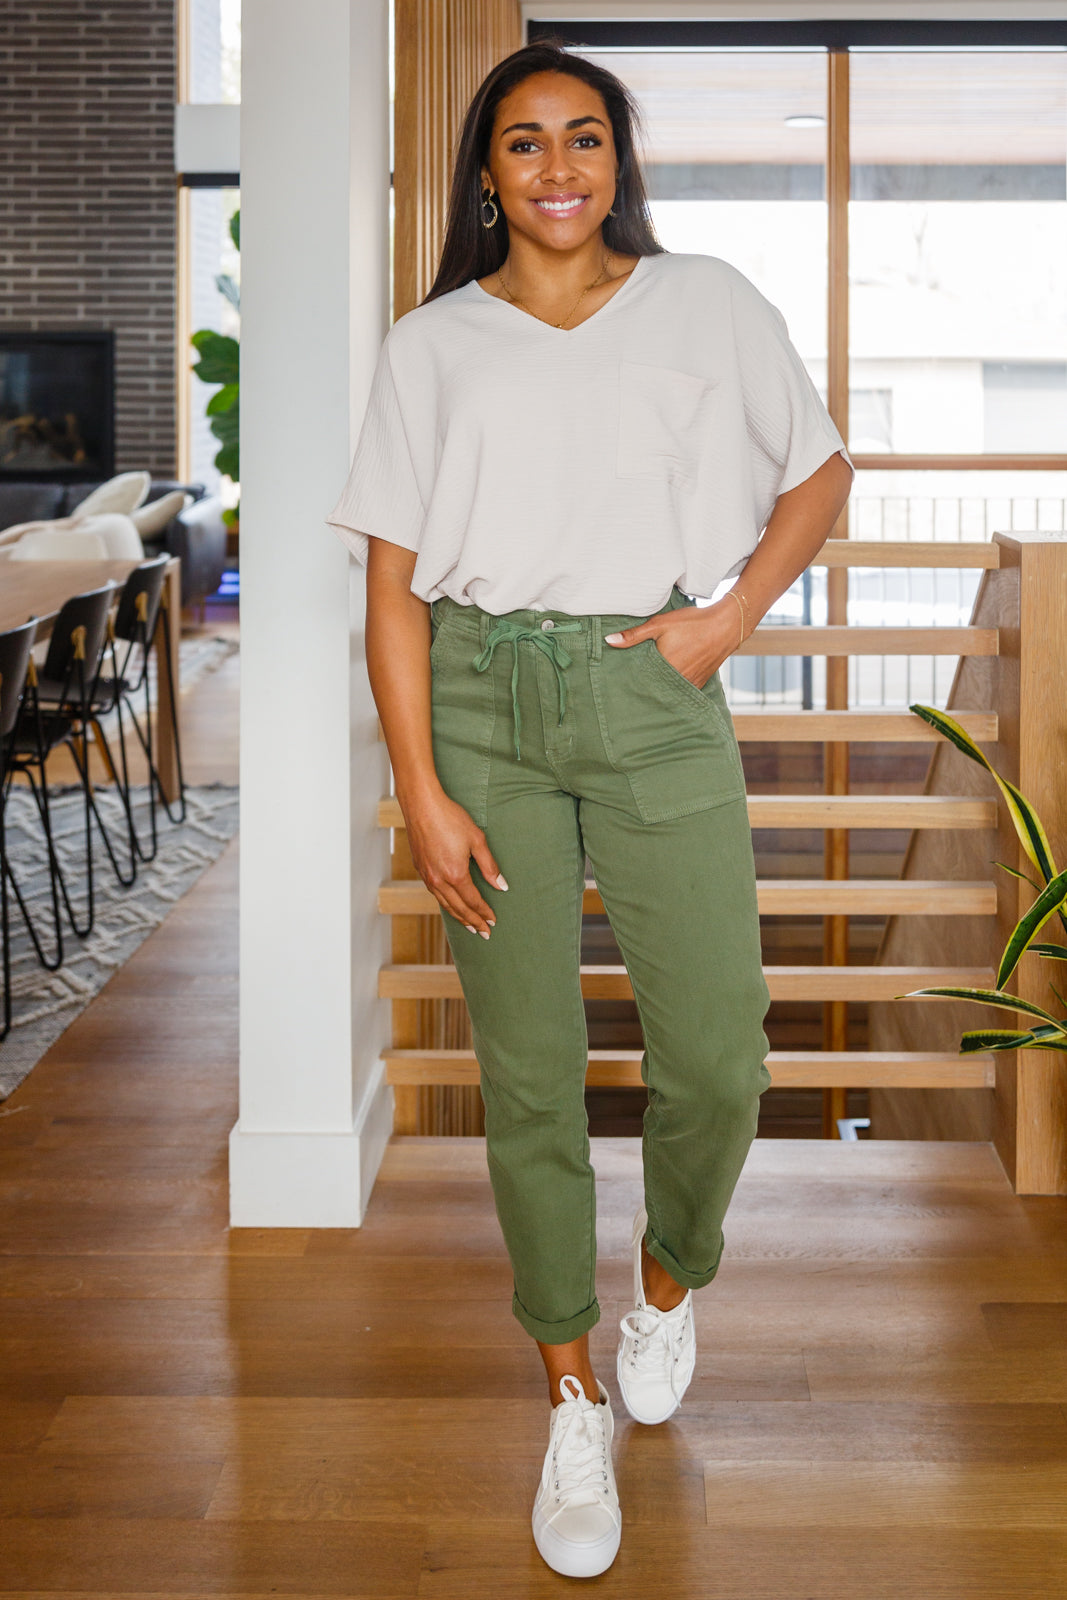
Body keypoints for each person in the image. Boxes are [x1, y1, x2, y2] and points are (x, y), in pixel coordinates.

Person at [326, 38, 853, 1581]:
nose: (557, 169)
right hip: (482, 707)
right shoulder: (432, 347)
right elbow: (390, 590)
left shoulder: (709, 304)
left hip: (654, 692)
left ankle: (668, 1288)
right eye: (522, 146)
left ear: (618, 159)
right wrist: (421, 790)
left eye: (584, 139)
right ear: (484, 179)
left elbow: (819, 476)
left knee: (720, 1051)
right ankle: (567, 1389)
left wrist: (728, 619)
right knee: (532, 1073)